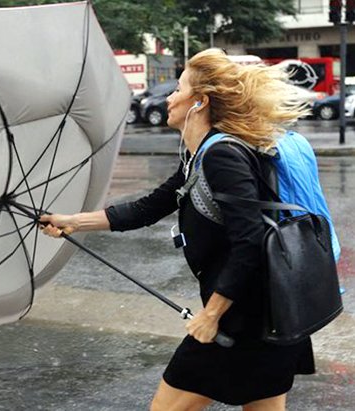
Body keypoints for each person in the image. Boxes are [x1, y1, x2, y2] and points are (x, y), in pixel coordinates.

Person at [39, 48, 314, 411]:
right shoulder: (201, 156)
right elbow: (146, 208)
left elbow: (250, 243)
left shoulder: (222, 156)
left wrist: (211, 315)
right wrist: (73, 221)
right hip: (273, 314)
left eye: (178, 88)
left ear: (199, 102)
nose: (169, 96)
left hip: (245, 321)